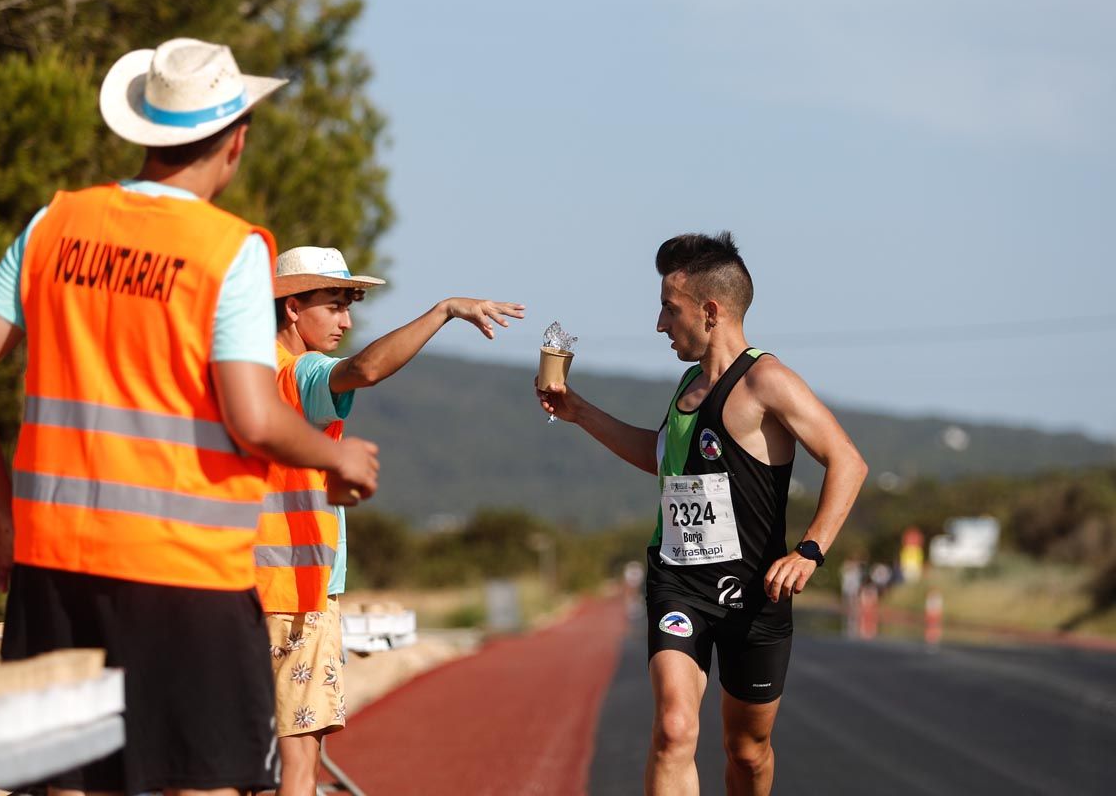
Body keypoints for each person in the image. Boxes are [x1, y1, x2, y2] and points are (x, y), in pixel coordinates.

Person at [0, 39, 379, 796]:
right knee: (199, 782)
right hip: (187, 571)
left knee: (68, 782)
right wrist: (337, 456)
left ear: (141, 130)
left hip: (55, 567)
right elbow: (253, 417)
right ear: (235, 143)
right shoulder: (227, 252)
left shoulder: (53, 225)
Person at [536, 232, 867, 795]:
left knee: (748, 752)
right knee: (674, 729)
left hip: (754, 593)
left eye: (670, 309)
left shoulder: (768, 381)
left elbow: (848, 462)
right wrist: (579, 412)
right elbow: (659, 458)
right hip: (678, 583)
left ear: (710, 311)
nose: (660, 325)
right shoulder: (689, 384)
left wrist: (810, 549)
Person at [259, 245, 523, 796]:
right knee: (299, 770)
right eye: (333, 304)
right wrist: (444, 310)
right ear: (291, 308)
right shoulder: (300, 373)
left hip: (242, 587)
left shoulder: (243, 376)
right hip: (297, 593)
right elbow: (367, 369)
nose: (346, 320)